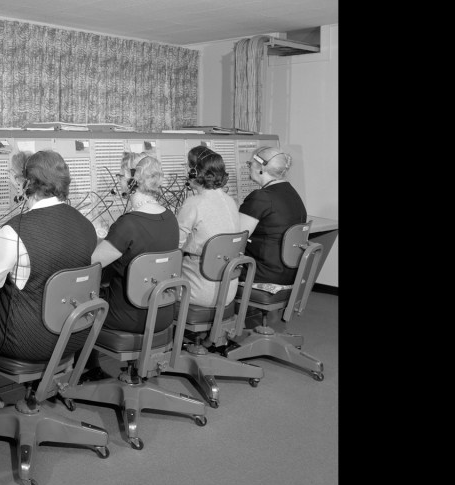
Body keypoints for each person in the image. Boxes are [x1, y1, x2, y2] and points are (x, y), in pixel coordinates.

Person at [0, 150, 98, 410]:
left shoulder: (15, 230)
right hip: (73, 334)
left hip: (27, 341)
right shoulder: (85, 225)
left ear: (26, 183)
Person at [80, 155, 180, 382]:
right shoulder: (170, 218)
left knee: (82, 300)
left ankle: (87, 372)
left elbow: (90, 263)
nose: (119, 180)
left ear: (132, 181)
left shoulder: (128, 224)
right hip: (162, 313)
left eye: (120, 176)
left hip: (128, 317)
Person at [238, 145, 308, 328]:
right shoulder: (293, 194)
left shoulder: (260, 197)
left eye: (249, 163)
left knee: (211, 266)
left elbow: (235, 239)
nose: (248, 167)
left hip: (263, 274)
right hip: (289, 272)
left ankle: (214, 334)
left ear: (261, 167)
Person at [176, 146, 241, 308]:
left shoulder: (194, 204)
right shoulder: (230, 201)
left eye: (187, 166)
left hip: (199, 291)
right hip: (228, 290)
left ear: (194, 172)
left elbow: (173, 246)